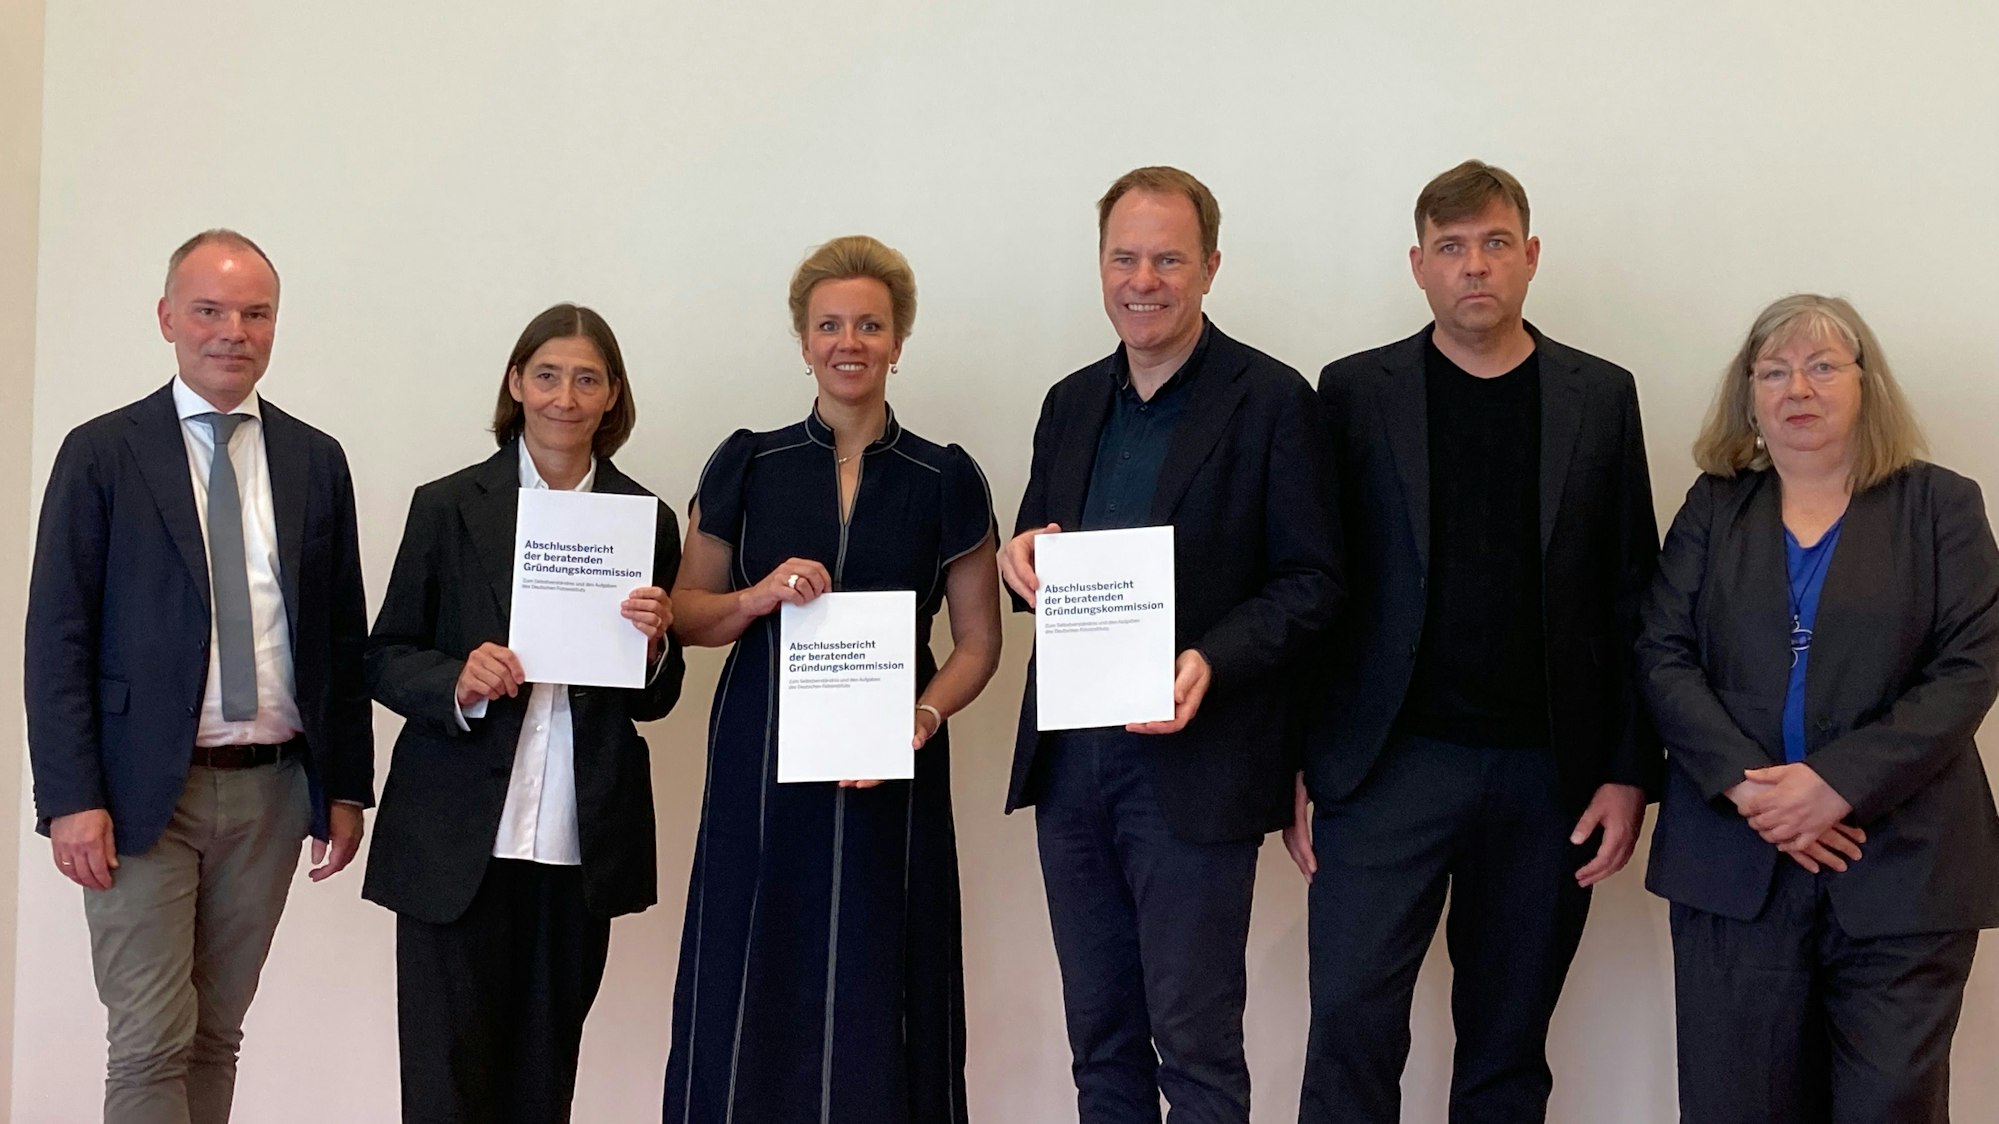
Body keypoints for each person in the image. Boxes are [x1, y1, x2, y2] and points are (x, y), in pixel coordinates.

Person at [1287, 160, 1660, 1123]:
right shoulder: (1354, 393)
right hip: (1383, 769)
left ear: (1530, 257)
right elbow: (1318, 588)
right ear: (1417, 265)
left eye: (1495, 244)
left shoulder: (1600, 396)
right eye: (1450, 249)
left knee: (1505, 1049)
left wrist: (1627, 767)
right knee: (1349, 1031)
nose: (1474, 267)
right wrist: (1298, 759)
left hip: (1548, 777)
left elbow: (1633, 595)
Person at [1000, 166, 1342, 1124]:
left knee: (1193, 1052)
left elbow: (1315, 583)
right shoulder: (1069, 403)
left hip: (1194, 771)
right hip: (1073, 767)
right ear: (1100, 265)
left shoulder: (1272, 400)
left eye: (1166, 259)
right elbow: (1040, 554)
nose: (1141, 279)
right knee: (1099, 1043)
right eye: (1123, 257)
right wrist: (1019, 559)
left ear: (1209, 267)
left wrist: (1211, 659)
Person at [24, 229, 374, 1123]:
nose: (234, 331)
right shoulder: (103, 453)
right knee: (148, 1042)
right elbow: (56, 635)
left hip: (270, 792)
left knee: (216, 1035)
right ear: (167, 318)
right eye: (210, 310)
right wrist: (69, 795)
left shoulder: (313, 458)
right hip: (143, 793)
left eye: (256, 314)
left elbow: (338, 633)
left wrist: (344, 787)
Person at [662, 235, 1002, 1124]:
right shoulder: (748, 461)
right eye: (828, 325)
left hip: (890, 760)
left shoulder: (945, 476)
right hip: (759, 757)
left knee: (878, 962)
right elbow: (685, 614)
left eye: (868, 324)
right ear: (803, 340)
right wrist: (756, 598)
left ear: (897, 339)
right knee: (754, 957)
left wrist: (923, 713)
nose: (848, 341)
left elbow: (976, 643)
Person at [1638, 293, 1999, 1122]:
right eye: (1773, 371)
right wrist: (1750, 789)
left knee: (1887, 1109)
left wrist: (1834, 785)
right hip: (1735, 866)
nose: (1796, 387)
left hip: (1902, 870)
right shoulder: (1712, 506)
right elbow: (1659, 654)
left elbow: (1967, 669)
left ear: (1865, 385)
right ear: (1750, 395)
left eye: (1821, 366)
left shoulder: (1939, 506)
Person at [361, 303, 684, 1122]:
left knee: (543, 1085)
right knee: (444, 1087)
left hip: (578, 843)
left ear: (612, 395)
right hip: (455, 841)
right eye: (547, 376)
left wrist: (652, 649)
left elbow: (657, 698)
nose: (564, 398)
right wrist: (456, 681)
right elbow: (385, 653)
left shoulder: (643, 521)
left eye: (586, 379)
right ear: (515, 383)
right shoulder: (446, 505)